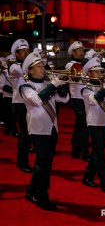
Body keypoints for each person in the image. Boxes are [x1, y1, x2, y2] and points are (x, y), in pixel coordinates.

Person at [21, 51, 69, 210]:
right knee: (44, 165)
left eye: (43, 66)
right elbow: (37, 100)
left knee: (44, 164)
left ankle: (31, 191)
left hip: (52, 128)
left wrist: (62, 86)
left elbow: (64, 99)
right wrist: (53, 85)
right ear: (30, 70)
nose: (43, 69)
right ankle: (41, 196)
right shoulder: (26, 86)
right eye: (39, 66)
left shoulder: (47, 83)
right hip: (38, 130)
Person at [80, 57, 105, 193]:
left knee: (97, 151)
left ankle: (87, 176)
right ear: (89, 73)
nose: (100, 73)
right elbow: (94, 101)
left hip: (104, 121)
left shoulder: (102, 85)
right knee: (100, 153)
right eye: (96, 72)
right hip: (94, 123)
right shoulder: (85, 89)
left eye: (101, 71)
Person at [10, 39, 32, 173]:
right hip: (19, 104)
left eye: (27, 51)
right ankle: (22, 162)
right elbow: (22, 70)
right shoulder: (13, 66)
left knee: (27, 134)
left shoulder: (27, 65)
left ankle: (22, 160)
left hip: (28, 103)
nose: (26, 53)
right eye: (23, 51)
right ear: (16, 54)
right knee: (25, 133)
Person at [66, 41, 90, 161]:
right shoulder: (70, 65)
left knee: (79, 126)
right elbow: (77, 76)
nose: (82, 52)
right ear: (73, 52)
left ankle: (75, 150)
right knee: (84, 126)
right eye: (79, 50)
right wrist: (88, 61)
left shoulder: (84, 63)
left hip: (86, 97)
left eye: (83, 50)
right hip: (77, 98)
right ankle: (85, 152)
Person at [2, 55, 18, 137]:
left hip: (15, 96)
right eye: (11, 62)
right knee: (11, 115)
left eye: (14, 62)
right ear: (7, 62)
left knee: (11, 115)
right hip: (7, 96)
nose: (12, 64)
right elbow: (2, 85)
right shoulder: (4, 72)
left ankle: (7, 130)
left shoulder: (15, 70)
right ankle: (14, 131)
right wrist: (13, 90)